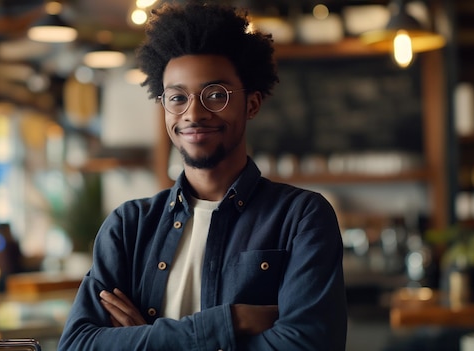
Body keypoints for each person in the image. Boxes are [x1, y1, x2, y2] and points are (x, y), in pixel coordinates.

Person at [57, 2, 347, 350]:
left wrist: (141, 340)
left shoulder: (301, 218)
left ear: (251, 104)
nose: (193, 113)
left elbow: (306, 346)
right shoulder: (128, 227)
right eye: (177, 97)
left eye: (216, 95)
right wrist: (230, 322)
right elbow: (76, 345)